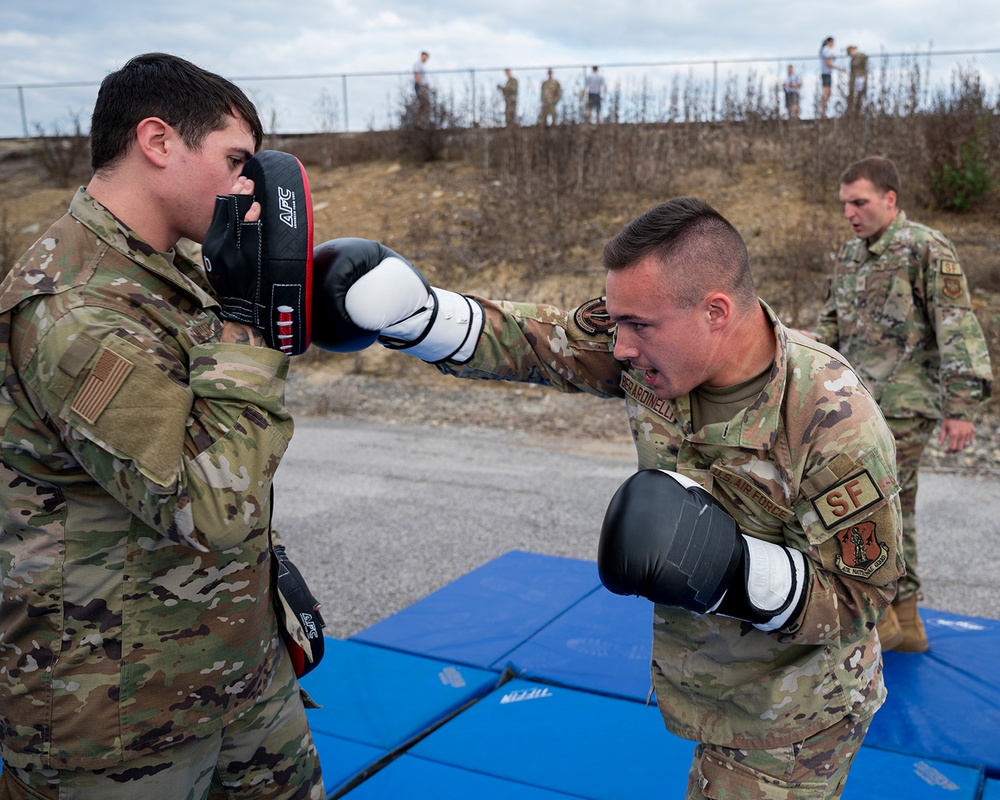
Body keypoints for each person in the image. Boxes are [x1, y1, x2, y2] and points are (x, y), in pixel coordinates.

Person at [305, 196, 904, 799]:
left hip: (797, 714)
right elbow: (542, 342)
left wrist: (743, 573)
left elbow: (864, 595)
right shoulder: (651, 350)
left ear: (716, 312)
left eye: (638, 326)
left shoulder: (832, 418)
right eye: (617, 322)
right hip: (708, 683)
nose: (620, 347)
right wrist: (424, 317)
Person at [0, 53, 324, 799]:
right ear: (157, 141)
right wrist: (246, 332)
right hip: (117, 721)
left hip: (234, 672)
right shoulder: (75, 308)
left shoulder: (166, 270)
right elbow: (207, 508)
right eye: (235, 161)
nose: (247, 188)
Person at [799, 156, 993, 653]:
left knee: (872, 505)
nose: (849, 213)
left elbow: (958, 328)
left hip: (905, 405)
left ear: (890, 199)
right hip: (855, 406)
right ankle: (906, 624)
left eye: (859, 202)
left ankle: (879, 621)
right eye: (844, 204)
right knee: (890, 506)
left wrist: (962, 406)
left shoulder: (924, 249)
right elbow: (832, 329)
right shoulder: (849, 256)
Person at [819, 36, 845, 117]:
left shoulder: (827, 50)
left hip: (827, 73)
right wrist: (839, 68)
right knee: (826, 92)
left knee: (828, 92)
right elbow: (828, 63)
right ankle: (822, 111)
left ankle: (823, 110)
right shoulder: (826, 50)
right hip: (826, 73)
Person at [846, 45, 868, 115]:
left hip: (860, 77)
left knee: (860, 94)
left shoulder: (861, 56)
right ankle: (852, 110)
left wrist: (864, 75)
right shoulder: (853, 59)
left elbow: (864, 66)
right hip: (854, 78)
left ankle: (858, 110)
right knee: (852, 94)